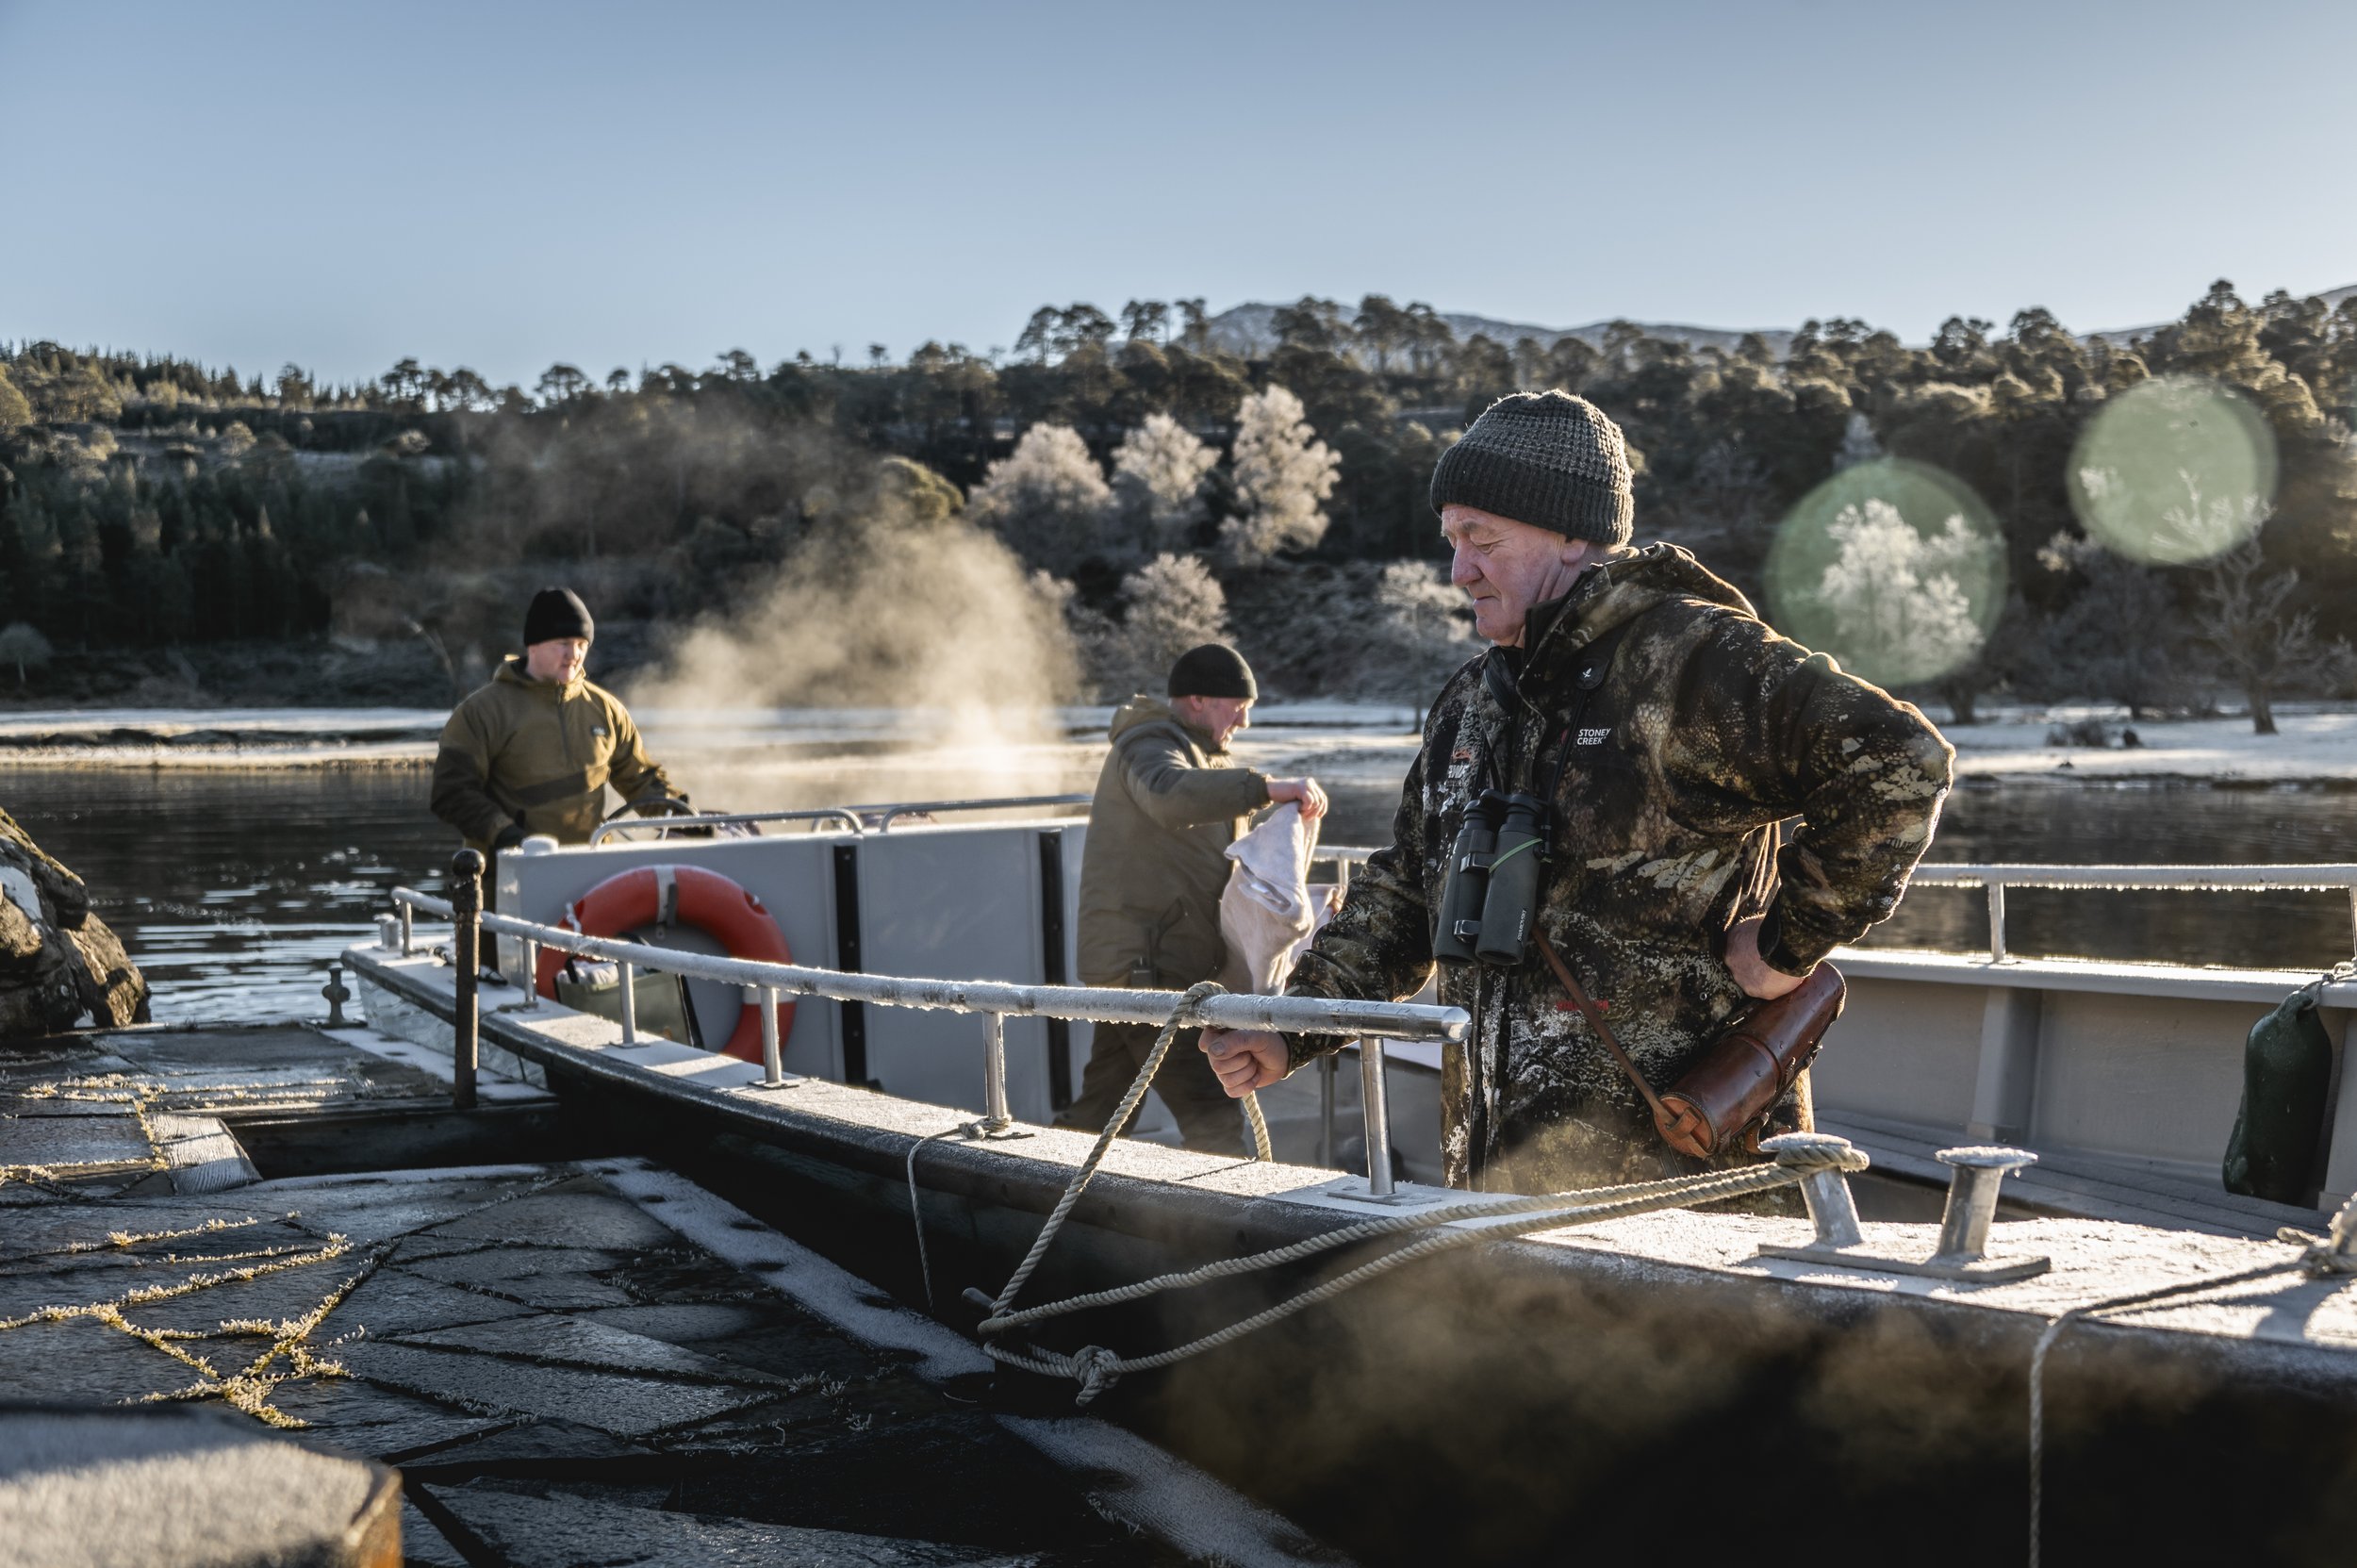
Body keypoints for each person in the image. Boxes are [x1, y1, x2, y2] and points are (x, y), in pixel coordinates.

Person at [1199, 391, 1954, 1195]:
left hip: (1681, 1195)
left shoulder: (1692, 663)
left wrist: (1786, 945)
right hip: (1497, 1186)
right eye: (1452, 540)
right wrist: (1295, 1027)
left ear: (1572, 533)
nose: (1460, 571)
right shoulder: (1469, 704)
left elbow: (1900, 758)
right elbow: (1404, 895)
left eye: (1482, 539)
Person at [1058, 643, 1327, 1153]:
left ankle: (1040, 1194)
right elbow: (1167, 794)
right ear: (1199, 700)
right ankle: (1224, 1227)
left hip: (1145, 963)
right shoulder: (1148, 742)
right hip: (1148, 968)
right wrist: (1266, 788)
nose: (1245, 720)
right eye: (1238, 704)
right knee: (1211, 1114)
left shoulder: (1195, 750)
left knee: (1100, 1111)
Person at [431, 586, 679, 860]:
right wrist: (506, 835)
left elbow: (642, 781)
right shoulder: (480, 712)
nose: (574, 653)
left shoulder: (606, 709)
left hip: (595, 874)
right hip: (511, 879)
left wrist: (685, 819)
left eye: (582, 644)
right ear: (533, 644)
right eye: (563, 643)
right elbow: (452, 793)